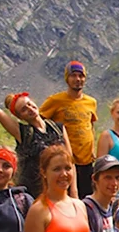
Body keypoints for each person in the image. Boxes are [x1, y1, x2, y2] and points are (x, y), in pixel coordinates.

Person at [40, 61, 99, 198]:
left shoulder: (91, 102)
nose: (78, 79)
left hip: (87, 162)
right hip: (65, 162)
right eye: (73, 75)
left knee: (87, 198)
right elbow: (39, 120)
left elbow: (91, 125)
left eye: (81, 76)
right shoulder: (55, 100)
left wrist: (92, 148)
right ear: (67, 78)